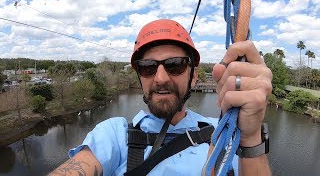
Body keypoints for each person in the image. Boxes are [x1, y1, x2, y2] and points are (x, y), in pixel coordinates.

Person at [49, 19, 272, 176]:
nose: (160, 78)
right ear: (140, 79)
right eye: (147, 67)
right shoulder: (114, 134)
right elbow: (82, 165)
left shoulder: (227, 134)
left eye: (175, 65)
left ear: (193, 77)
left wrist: (251, 137)